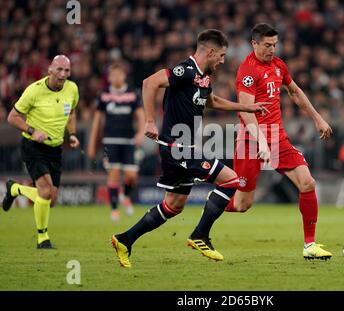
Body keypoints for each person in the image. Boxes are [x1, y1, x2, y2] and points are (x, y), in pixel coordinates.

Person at [111, 29, 268, 267]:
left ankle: (125, 239)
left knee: (173, 206)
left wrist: (246, 108)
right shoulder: (185, 70)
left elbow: (212, 101)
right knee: (231, 180)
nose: (223, 60)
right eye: (222, 55)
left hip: (184, 146)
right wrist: (150, 120)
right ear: (211, 51)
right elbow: (149, 82)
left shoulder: (204, 77)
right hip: (177, 147)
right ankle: (200, 235)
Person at [224, 23, 333, 260]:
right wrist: (261, 141)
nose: (272, 49)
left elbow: (295, 92)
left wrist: (317, 118)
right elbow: (245, 111)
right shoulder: (247, 71)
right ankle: (214, 203)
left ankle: (310, 245)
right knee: (242, 204)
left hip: (278, 139)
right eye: (267, 45)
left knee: (307, 183)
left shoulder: (278, 65)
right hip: (250, 140)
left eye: (275, 44)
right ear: (254, 44)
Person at [1, 55, 80, 249]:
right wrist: (32, 130)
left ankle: (15, 189)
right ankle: (42, 238)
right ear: (50, 70)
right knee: (44, 191)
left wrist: (72, 134)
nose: (63, 74)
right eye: (59, 69)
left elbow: (71, 113)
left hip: (55, 149)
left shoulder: (72, 89)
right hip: (33, 146)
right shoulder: (33, 91)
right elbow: (12, 117)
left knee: (51, 200)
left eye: (67, 70)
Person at [87, 62, 145, 221]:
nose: (116, 77)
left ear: (124, 75)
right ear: (109, 77)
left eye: (118, 74)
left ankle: (124, 195)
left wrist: (141, 132)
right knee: (113, 174)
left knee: (131, 176)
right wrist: (92, 144)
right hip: (110, 140)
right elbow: (97, 121)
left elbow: (141, 115)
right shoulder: (104, 94)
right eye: (112, 75)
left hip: (129, 140)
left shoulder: (133, 93)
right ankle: (114, 210)